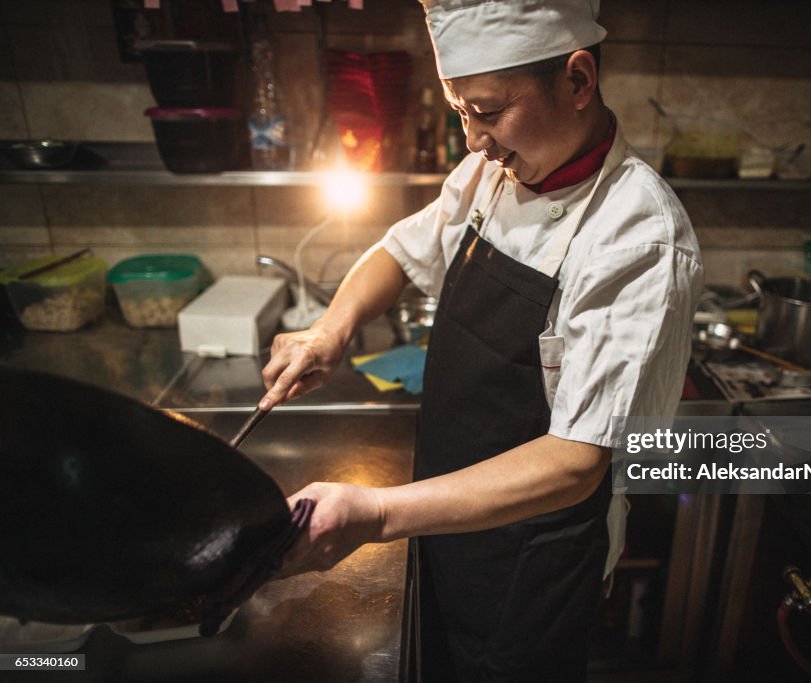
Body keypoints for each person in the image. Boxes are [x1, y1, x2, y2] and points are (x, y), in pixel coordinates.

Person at [259, 0, 703, 680]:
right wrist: (331, 330)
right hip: (446, 520)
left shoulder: (636, 235)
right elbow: (403, 251)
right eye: (460, 111)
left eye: (489, 112)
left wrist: (375, 510)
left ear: (578, 81)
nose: (474, 140)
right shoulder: (493, 171)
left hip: (534, 565)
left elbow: (574, 461)